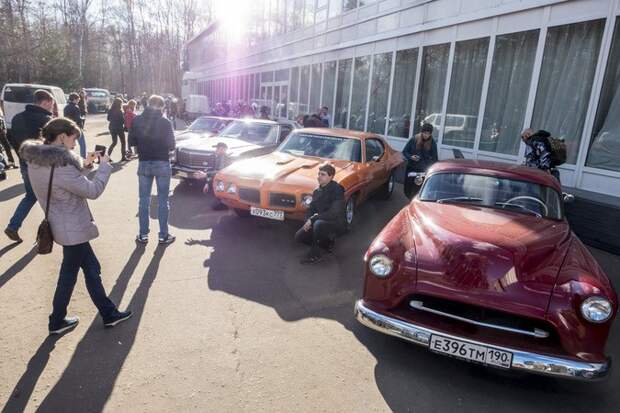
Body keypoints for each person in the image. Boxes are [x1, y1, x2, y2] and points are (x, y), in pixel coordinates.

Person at [20, 118, 132, 334]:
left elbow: (65, 183)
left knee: (91, 269)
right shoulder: (61, 165)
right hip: (73, 228)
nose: (75, 144)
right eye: (73, 138)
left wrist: (87, 165)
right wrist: (105, 167)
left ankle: (108, 313)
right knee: (70, 275)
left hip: (61, 222)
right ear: (62, 136)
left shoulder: (37, 159)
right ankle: (57, 321)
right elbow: (92, 191)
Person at [4, 89, 54, 242]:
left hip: (25, 162)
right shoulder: (46, 119)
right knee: (50, 196)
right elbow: (52, 144)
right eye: (51, 105)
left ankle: (13, 226)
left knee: (31, 195)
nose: (51, 108)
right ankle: (49, 232)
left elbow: (9, 136)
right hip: (42, 165)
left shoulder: (17, 117)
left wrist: (20, 154)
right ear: (45, 102)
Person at [128, 95, 176, 244]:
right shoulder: (165, 122)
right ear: (161, 106)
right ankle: (163, 235)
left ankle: (143, 235)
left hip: (144, 162)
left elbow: (132, 141)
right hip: (161, 162)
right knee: (163, 200)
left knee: (144, 200)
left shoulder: (137, 120)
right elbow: (172, 145)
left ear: (148, 104)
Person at [295, 163, 346, 264]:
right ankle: (325, 243)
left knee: (318, 224)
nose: (319, 177)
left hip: (336, 222)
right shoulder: (317, 191)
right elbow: (311, 210)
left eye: (323, 174)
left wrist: (313, 220)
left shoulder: (337, 190)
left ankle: (315, 255)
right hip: (321, 219)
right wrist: (307, 220)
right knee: (298, 237)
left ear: (331, 176)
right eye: (318, 174)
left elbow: (333, 213)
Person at [402, 123, 438, 198]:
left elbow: (435, 159)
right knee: (407, 189)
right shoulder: (414, 139)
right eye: (425, 133)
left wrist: (429, 166)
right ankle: (409, 200)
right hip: (411, 168)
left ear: (430, 134)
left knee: (417, 191)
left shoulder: (432, 143)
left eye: (428, 134)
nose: (426, 135)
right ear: (422, 132)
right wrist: (411, 157)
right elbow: (405, 151)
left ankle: (414, 204)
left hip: (422, 170)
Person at [64, 93, 87, 158]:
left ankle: (69, 158)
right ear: (74, 99)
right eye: (77, 100)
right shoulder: (76, 107)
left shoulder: (66, 107)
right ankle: (83, 159)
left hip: (68, 128)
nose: (78, 101)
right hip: (77, 128)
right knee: (82, 145)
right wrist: (82, 118)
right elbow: (78, 119)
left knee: (69, 145)